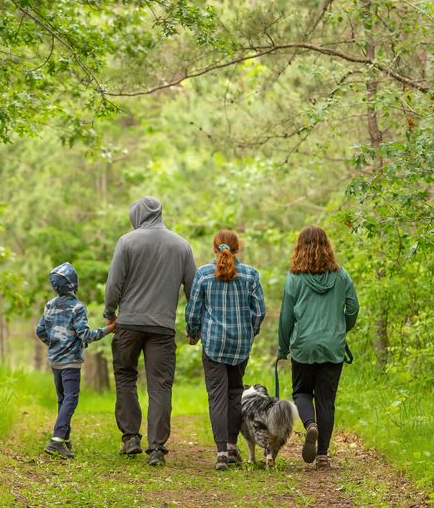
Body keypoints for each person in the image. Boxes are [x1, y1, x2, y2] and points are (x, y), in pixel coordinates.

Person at [104, 196, 197, 466]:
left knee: (125, 377)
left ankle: (131, 437)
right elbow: (194, 290)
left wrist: (110, 313)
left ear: (137, 215)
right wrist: (194, 326)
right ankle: (156, 447)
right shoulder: (181, 245)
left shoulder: (127, 242)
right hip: (163, 328)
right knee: (160, 386)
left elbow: (114, 284)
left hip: (129, 324)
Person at [277, 226, 359, 469]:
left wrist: (283, 348)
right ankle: (322, 454)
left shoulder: (294, 277)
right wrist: (341, 330)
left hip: (304, 345)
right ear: (327, 246)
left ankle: (310, 425)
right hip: (333, 347)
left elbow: (286, 317)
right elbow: (353, 308)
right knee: (326, 399)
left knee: (302, 392)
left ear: (300, 247)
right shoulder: (341, 275)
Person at [185, 231, 266, 471]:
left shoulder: (203, 274)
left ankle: (221, 453)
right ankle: (231, 446)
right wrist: (251, 331)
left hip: (213, 344)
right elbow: (259, 311)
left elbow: (193, 310)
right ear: (237, 249)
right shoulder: (251, 274)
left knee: (217, 397)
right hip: (240, 344)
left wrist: (193, 332)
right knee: (234, 394)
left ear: (214, 249)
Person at [35, 262, 115, 458]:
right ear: (74, 283)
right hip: (70, 362)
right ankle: (56, 440)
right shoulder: (77, 307)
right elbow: (86, 335)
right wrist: (109, 329)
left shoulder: (49, 306)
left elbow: (40, 331)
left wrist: (55, 343)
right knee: (71, 398)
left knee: (62, 399)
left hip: (54, 360)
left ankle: (65, 439)